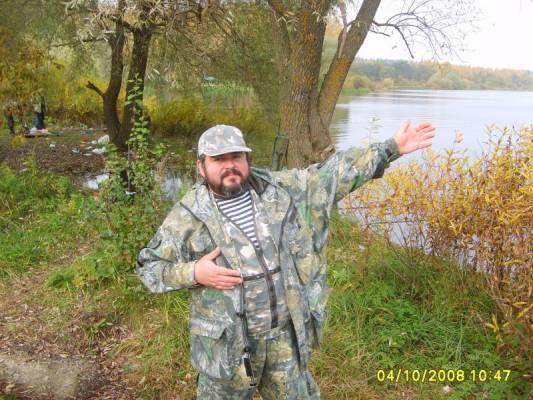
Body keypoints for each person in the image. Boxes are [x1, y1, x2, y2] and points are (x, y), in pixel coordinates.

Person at [136, 122, 435, 399]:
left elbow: (332, 175)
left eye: (236, 156)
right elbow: (149, 267)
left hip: (283, 340)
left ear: (246, 159)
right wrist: (194, 272)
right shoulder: (187, 215)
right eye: (218, 159)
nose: (230, 165)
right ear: (201, 166)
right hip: (226, 349)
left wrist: (391, 148)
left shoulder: (281, 190)